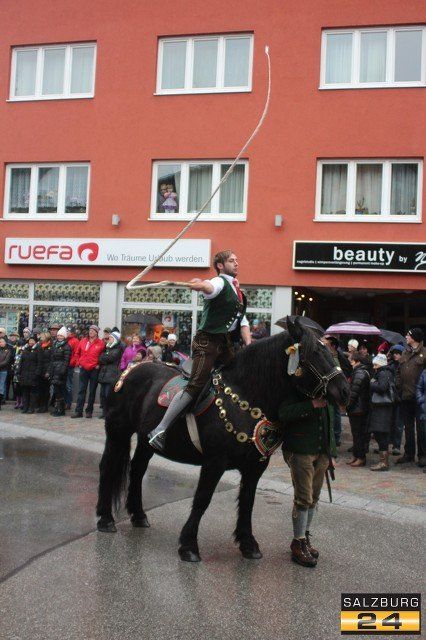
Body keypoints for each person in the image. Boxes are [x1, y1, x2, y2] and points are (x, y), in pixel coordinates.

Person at [148, 249, 251, 451]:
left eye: (237, 260)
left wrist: (249, 343)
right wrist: (200, 285)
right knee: (196, 384)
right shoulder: (219, 282)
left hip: (225, 344)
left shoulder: (238, 291)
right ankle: (160, 430)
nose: (236, 263)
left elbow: (243, 321)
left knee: (238, 377)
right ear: (220, 265)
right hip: (207, 342)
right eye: (232, 260)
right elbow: (209, 286)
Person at [278, 387, 336, 567]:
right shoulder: (296, 387)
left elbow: (329, 422)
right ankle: (298, 542)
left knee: (314, 498)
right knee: (304, 498)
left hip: (322, 451)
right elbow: (283, 413)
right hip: (300, 449)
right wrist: (311, 404)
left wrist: (331, 452)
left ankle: (305, 537)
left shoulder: (327, 390)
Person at [395, 328, 426, 465]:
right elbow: (399, 371)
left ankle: (423, 455)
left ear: (415, 337)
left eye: (408, 335)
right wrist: (398, 385)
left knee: (422, 428)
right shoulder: (405, 352)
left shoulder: (424, 352)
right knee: (408, 427)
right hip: (405, 396)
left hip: (420, 399)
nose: (406, 337)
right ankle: (409, 454)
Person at [322, 335, 351, 447]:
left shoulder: (335, 358)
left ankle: (336, 436)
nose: (323, 344)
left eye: (325, 343)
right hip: (329, 389)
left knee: (335, 412)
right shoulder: (328, 356)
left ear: (333, 346)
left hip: (334, 390)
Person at [368, 353, 395, 471]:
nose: (374, 367)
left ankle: (384, 463)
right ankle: (383, 461)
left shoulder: (383, 373)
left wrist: (371, 383)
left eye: (375, 364)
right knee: (381, 434)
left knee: (382, 434)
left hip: (382, 408)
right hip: (382, 408)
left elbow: (382, 387)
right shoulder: (384, 372)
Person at [71, 325, 105, 419]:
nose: (91, 332)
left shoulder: (101, 343)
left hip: (94, 369)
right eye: (90, 330)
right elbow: (77, 353)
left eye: (93, 331)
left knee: (92, 391)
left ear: (96, 333)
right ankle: (78, 411)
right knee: (81, 390)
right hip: (83, 368)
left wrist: (99, 364)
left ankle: (89, 411)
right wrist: (79, 362)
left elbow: (102, 356)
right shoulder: (83, 341)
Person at [346, 352, 371, 466]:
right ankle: (356, 455)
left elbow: (354, 392)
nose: (350, 362)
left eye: (352, 360)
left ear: (357, 361)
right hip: (358, 407)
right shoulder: (358, 372)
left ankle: (360, 457)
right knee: (356, 434)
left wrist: (348, 405)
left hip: (358, 408)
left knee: (359, 434)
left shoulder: (359, 373)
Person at [98, 331, 123, 419]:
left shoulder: (117, 349)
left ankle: (109, 412)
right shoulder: (107, 348)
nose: (109, 339)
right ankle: (104, 412)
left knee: (108, 394)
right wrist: (104, 357)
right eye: (109, 338)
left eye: (111, 338)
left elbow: (111, 358)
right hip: (104, 373)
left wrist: (104, 357)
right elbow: (100, 357)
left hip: (111, 374)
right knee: (103, 395)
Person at [49, 326, 71, 417]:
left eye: (61, 336)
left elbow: (66, 360)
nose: (59, 337)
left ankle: (61, 409)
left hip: (61, 370)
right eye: (58, 335)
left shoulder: (66, 346)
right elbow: (52, 358)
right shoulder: (55, 344)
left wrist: (62, 370)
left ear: (64, 336)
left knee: (60, 390)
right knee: (56, 390)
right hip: (54, 369)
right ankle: (57, 407)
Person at [388, 344, 404, 456]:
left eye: (398, 353)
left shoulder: (405, 366)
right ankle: (388, 444)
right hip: (391, 397)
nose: (395, 355)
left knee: (398, 423)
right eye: (394, 353)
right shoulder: (391, 365)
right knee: (389, 421)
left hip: (400, 398)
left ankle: (396, 446)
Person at [19, 335, 39, 414]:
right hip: (24, 373)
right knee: (25, 391)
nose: (31, 342)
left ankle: (31, 408)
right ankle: (25, 407)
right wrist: (19, 371)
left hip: (33, 373)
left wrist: (37, 373)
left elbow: (39, 362)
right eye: (30, 340)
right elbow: (21, 361)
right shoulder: (25, 349)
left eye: (32, 340)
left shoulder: (38, 349)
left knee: (32, 392)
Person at [36, 331, 52, 413]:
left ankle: (45, 405)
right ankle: (40, 405)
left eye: (42, 337)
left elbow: (51, 360)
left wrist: (48, 371)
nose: (40, 338)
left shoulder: (51, 346)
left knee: (46, 389)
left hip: (46, 369)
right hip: (40, 369)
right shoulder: (39, 345)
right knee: (40, 389)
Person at [65, 326, 80, 409]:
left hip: (69, 366)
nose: (67, 333)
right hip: (64, 365)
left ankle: (68, 403)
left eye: (68, 331)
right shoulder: (65, 340)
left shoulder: (75, 341)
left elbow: (76, 354)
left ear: (72, 333)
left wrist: (71, 363)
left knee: (68, 385)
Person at [415, 366, 426, 470]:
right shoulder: (424, 372)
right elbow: (419, 387)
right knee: (423, 434)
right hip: (424, 408)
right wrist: (421, 399)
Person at [0, 336, 12, 408]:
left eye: (2, 342)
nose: (1, 343)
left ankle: (2, 400)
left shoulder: (8, 351)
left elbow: (6, 361)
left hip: (3, 370)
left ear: (5, 342)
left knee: (1, 386)